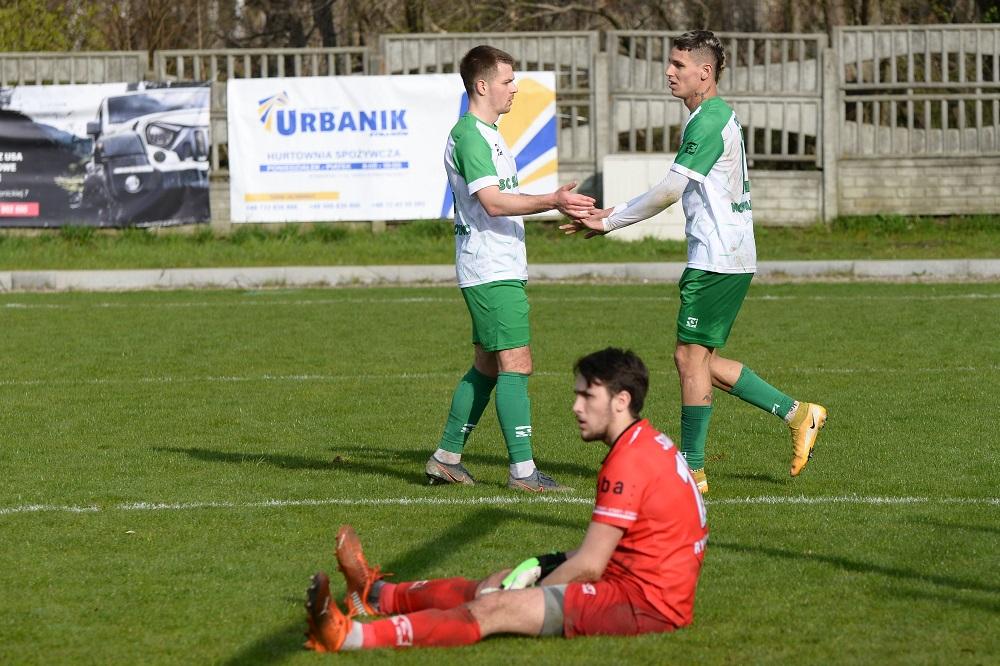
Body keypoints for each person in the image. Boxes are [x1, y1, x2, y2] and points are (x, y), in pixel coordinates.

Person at [560, 30, 827, 494]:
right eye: (670, 63)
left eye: (678, 65)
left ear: (705, 72)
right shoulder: (711, 116)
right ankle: (798, 414)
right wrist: (610, 213)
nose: (669, 72)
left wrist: (610, 222)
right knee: (701, 360)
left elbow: (669, 190)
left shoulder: (708, 121)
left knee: (689, 358)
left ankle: (692, 471)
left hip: (718, 257)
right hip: (725, 254)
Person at [304, 347, 708, 652]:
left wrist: (530, 593)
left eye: (587, 396)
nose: (575, 407)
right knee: (496, 582)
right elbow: (613, 550)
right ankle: (375, 595)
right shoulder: (647, 442)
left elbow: (590, 564)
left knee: (494, 607)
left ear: (621, 400)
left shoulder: (628, 463)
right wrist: (541, 563)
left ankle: (349, 636)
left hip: (643, 605)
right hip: (634, 583)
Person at [426, 45, 595, 492]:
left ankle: (446, 458)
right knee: (516, 363)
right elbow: (493, 203)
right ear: (482, 85)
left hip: (496, 266)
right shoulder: (470, 137)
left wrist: (556, 204)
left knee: (487, 366)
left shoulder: (489, 133)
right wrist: (553, 200)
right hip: (490, 268)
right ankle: (523, 472)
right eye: (507, 80)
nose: (515, 88)